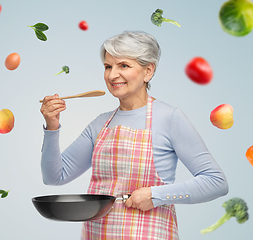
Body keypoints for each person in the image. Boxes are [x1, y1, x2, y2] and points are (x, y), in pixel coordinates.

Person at [39, 31, 228, 239]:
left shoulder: (169, 118)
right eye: (108, 66)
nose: (112, 75)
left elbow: (216, 182)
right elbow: (54, 177)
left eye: (124, 66)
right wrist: (52, 126)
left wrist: (156, 196)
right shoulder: (100, 124)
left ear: (148, 71)